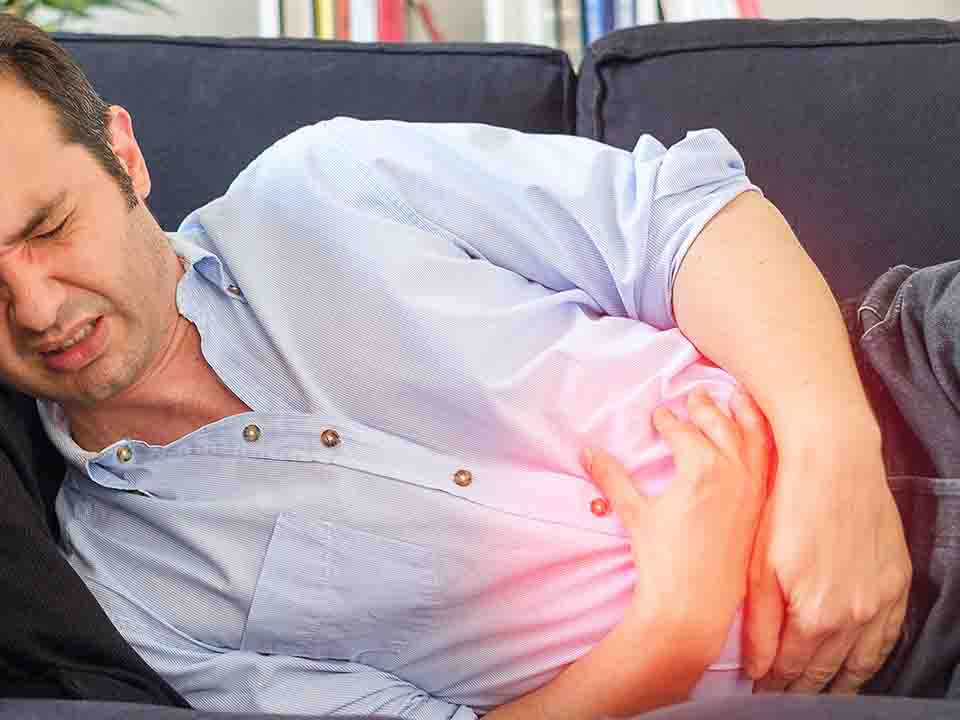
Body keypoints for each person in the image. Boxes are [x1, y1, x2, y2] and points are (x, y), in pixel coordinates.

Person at [0, 14, 931, 718]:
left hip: (907, 385)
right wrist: (670, 634)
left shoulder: (323, 184)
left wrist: (834, 462)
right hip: (849, 683)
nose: (37, 308)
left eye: (50, 228)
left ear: (124, 155)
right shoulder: (130, 590)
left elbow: (686, 218)